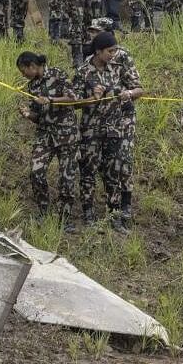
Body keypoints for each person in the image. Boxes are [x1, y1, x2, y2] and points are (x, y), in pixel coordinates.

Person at [74, 31, 142, 231]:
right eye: (110, 51)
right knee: (88, 171)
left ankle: (115, 216)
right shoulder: (83, 71)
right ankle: (88, 213)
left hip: (114, 129)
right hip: (91, 130)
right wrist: (91, 98)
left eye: (114, 50)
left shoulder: (118, 68)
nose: (114, 54)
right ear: (98, 51)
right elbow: (74, 102)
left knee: (113, 172)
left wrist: (128, 93)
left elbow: (139, 89)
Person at [16, 51, 79, 229]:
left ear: (32, 66)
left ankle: (65, 218)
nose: (23, 74)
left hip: (66, 134)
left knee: (67, 178)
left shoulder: (57, 74)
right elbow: (38, 114)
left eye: (23, 70)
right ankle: (43, 211)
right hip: (45, 135)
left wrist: (50, 100)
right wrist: (29, 115)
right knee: (36, 171)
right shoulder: (32, 86)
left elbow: (73, 99)